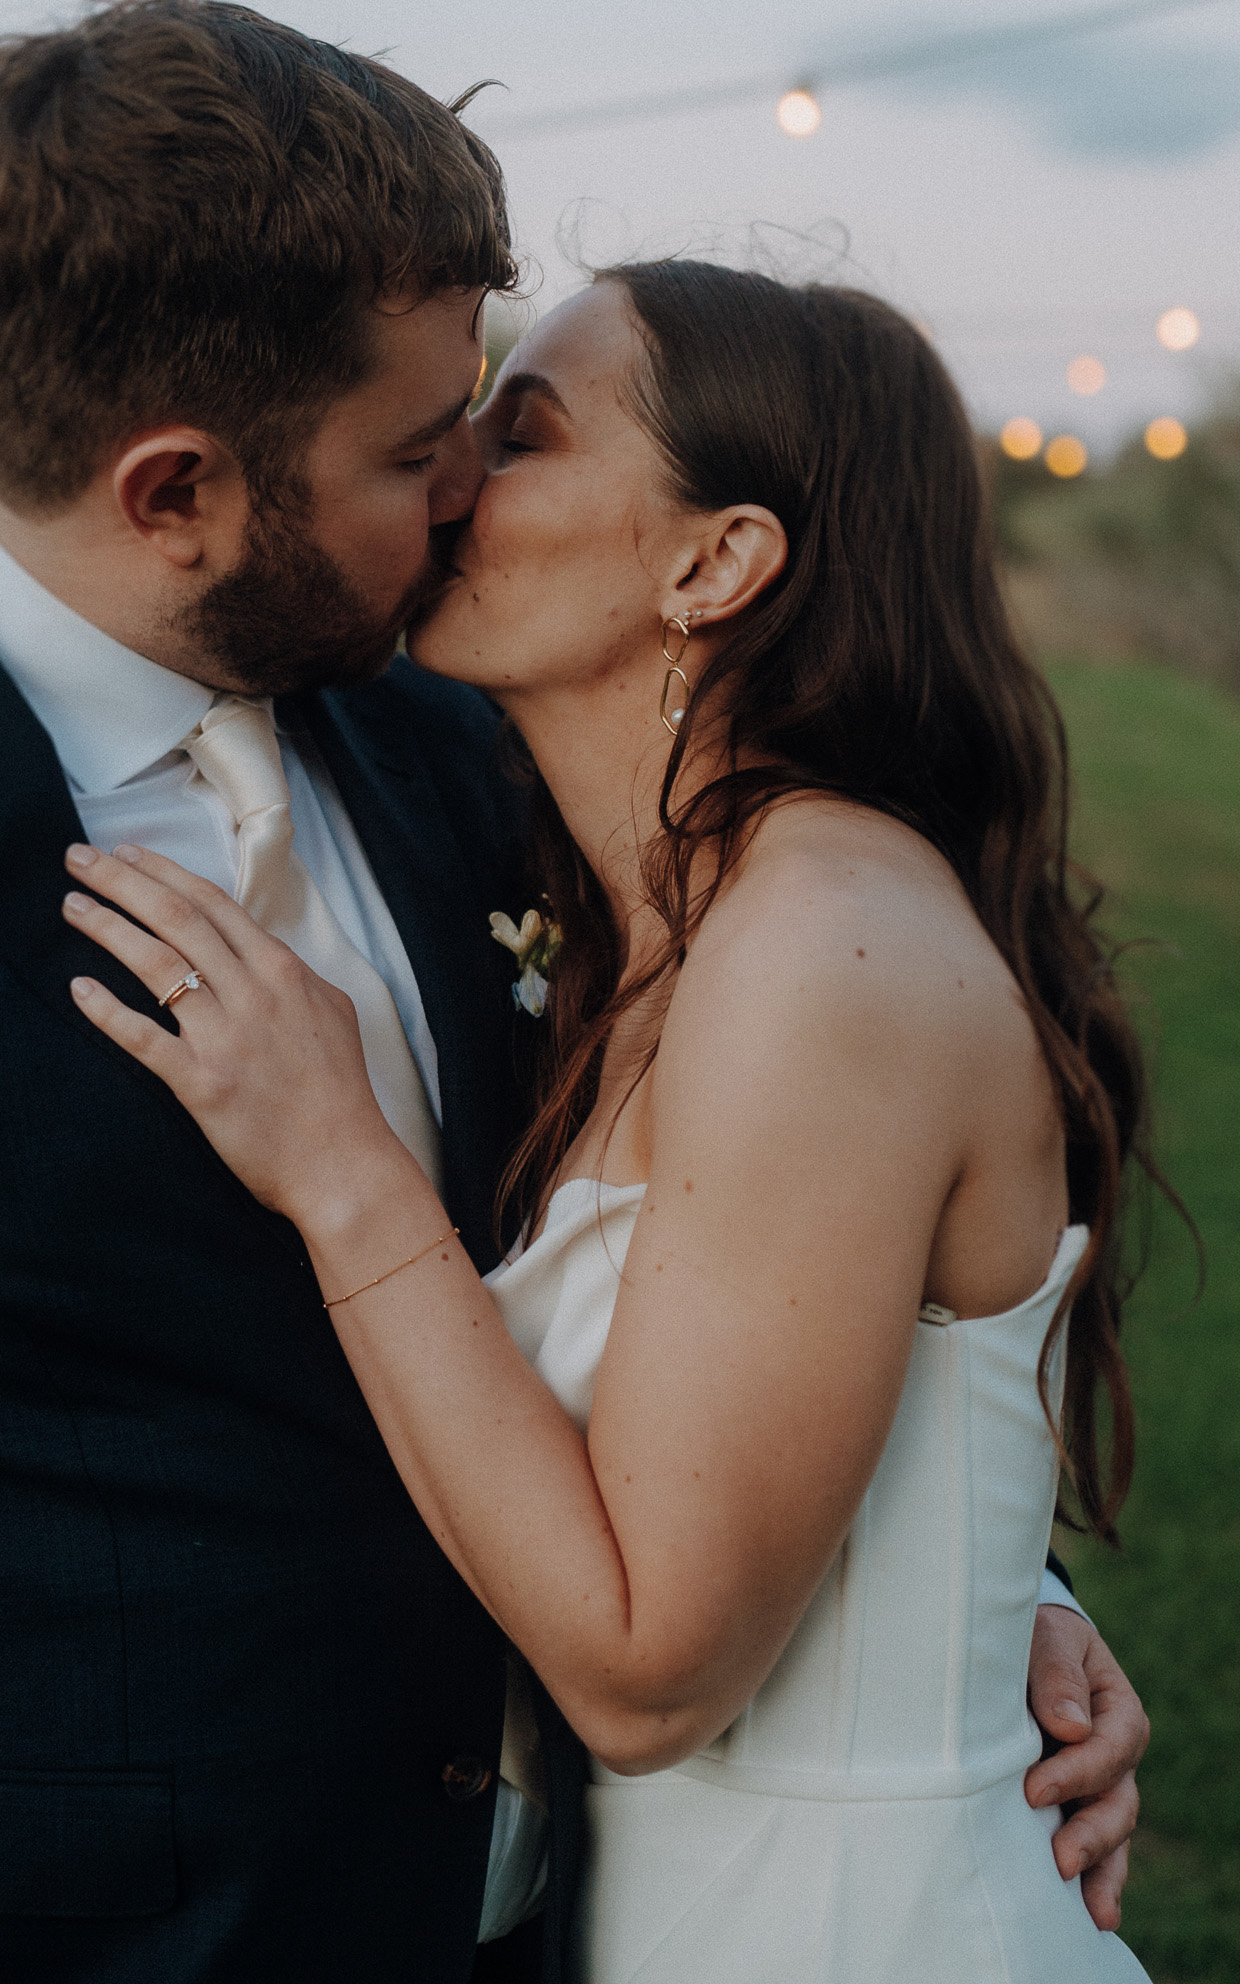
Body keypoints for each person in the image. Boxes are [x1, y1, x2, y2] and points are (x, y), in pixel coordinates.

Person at [0, 0, 1141, 1984]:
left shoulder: (475, 743)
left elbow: (749, 1245)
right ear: (174, 491)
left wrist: (956, 1585)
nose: (456, 494)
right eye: (421, 446)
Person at [58, 258, 1163, 1981]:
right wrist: (1003, 1584)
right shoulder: (661, 916)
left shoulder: (819, 947)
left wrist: (343, 1167)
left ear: (714, 563)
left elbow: (648, 1670)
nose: (449, 476)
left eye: (525, 434)